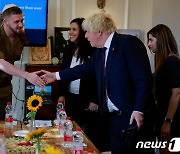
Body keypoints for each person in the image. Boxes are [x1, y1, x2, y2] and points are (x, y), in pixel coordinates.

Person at [41, 12, 157, 154]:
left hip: (132, 118)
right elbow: (83, 69)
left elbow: (143, 80)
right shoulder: (100, 52)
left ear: (99, 31)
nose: (86, 36)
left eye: (88, 32)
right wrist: (56, 75)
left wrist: (138, 109)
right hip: (113, 119)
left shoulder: (128, 43)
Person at [58, 18, 100, 149]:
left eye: (74, 29)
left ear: (82, 32)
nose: (70, 32)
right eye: (69, 29)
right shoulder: (68, 50)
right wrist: (61, 94)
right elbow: (64, 73)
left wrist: (95, 99)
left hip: (87, 101)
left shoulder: (93, 51)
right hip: (71, 98)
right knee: (69, 131)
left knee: (84, 136)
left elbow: (97, 77)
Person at [0, 4, 45, 120]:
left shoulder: (20, 37)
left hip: (5, 89)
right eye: (16, 22)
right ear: (5, 21)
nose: (20, 24)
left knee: (5, 124)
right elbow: (1, 63)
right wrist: (27, 75)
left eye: (22, 20)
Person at [147, 24, 180, 154]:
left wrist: (168, 121)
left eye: (151, 40)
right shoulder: (163, 61)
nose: (149, 44)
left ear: (161, 39)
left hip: (171, 119)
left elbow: (177, 94)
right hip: (163, 116)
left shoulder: (171, 61)